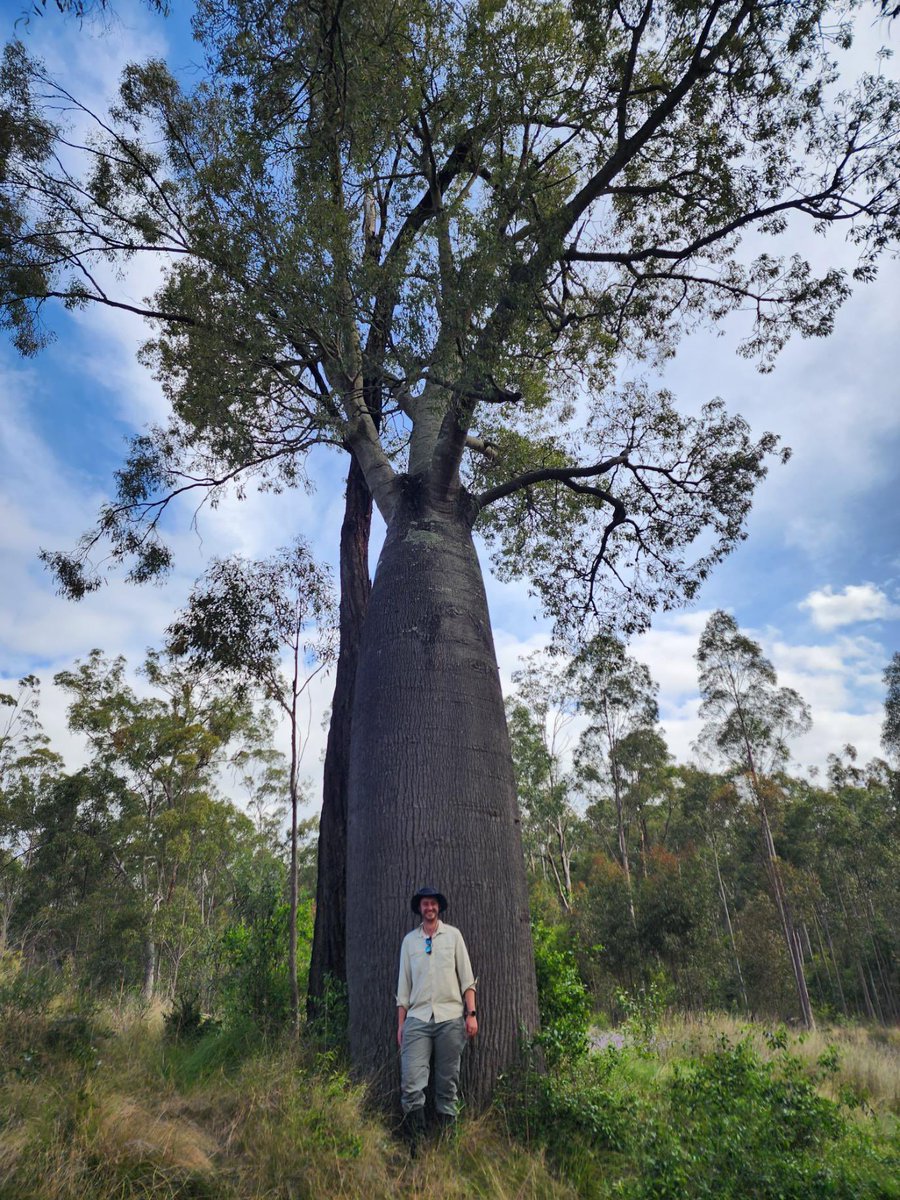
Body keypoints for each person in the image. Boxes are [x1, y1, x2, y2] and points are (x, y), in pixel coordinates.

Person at [396, 885, 478, 1147]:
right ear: (419, 909)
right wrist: (401, 1025)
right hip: (417, 1020)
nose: (429, 908)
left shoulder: (453, 936)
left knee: (447, 1083)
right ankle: (416, 1145)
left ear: (438, 907)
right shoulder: (410, 941)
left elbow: (467, 979)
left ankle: (448, 1143)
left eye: (433, 904)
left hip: (450, 1019)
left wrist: (471, 1014)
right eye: (424, 904)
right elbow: (403, 988)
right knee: (411, 1083)